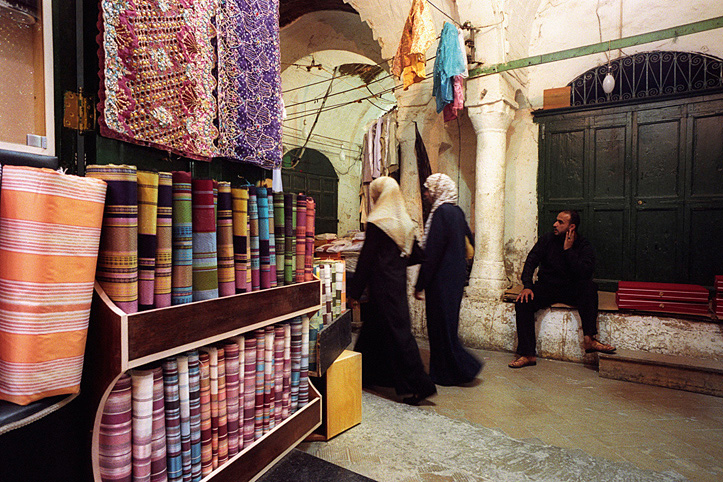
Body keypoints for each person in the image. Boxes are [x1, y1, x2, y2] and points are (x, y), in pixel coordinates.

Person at [348, 176, 436, 405]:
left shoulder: (378, 221)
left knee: (398, 334)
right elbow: (418, 255)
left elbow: (366, 260)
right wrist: (396, 261)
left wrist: (354, 292)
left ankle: (420, 386)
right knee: (374, 331)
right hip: (396, 283)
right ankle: (368, 375)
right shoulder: (404, 222)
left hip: (381, 285)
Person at [509, 210, 616, 369]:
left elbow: (585, 273)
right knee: (523, 302)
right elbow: (531, 261)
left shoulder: (583, 245)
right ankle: (528, 354)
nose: (555, 224)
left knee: (589, 287)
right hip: (547, 286)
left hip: (571, 288)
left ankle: (589, 340)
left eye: (560, 222)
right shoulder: (547, 239)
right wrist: (527, 286)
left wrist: (569, 250)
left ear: (571, 227)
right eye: (556, 221)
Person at [414, 173, 482, 386]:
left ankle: (462, 368)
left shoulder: (441, 213)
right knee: (448, 325)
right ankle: (449, 372)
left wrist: (420, 283)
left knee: (439, 327)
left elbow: (432, 253)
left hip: (440, 281)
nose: (425, 194)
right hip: (453, 279)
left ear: (437, 189)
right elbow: (469, 242)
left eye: (428, 189)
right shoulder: (456, 211)